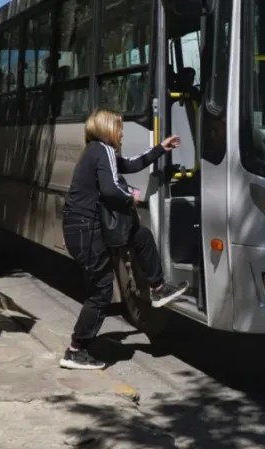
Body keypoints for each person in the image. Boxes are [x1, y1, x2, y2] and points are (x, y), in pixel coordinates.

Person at [60, 108, 189, 370]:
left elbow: (129, 164)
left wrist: (160, 149)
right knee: (101, 291)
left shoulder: (96, 151)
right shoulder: (103, 150)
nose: (121, 133)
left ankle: (158, 287)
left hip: (82, 229)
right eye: (119, 128)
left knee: (140, 235)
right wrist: (131, 195)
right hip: (86, 230)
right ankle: (76, 349)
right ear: (108, 129)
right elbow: (111, 189)